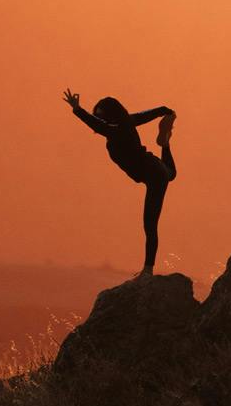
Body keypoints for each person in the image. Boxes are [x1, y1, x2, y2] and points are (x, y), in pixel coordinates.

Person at [63, 88, 177, 275]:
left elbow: (98, 125)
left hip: (153, 174)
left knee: (150, 223)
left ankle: (148, 270)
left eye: (102, 116)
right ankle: (165, 143)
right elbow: (143, 115)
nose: (100, 119)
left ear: (111, 116)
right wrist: (161, 110)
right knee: (170, 174)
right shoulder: (126, 123)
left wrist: (77, 110)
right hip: (153, 168)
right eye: (98, 115)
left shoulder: (115, 130)